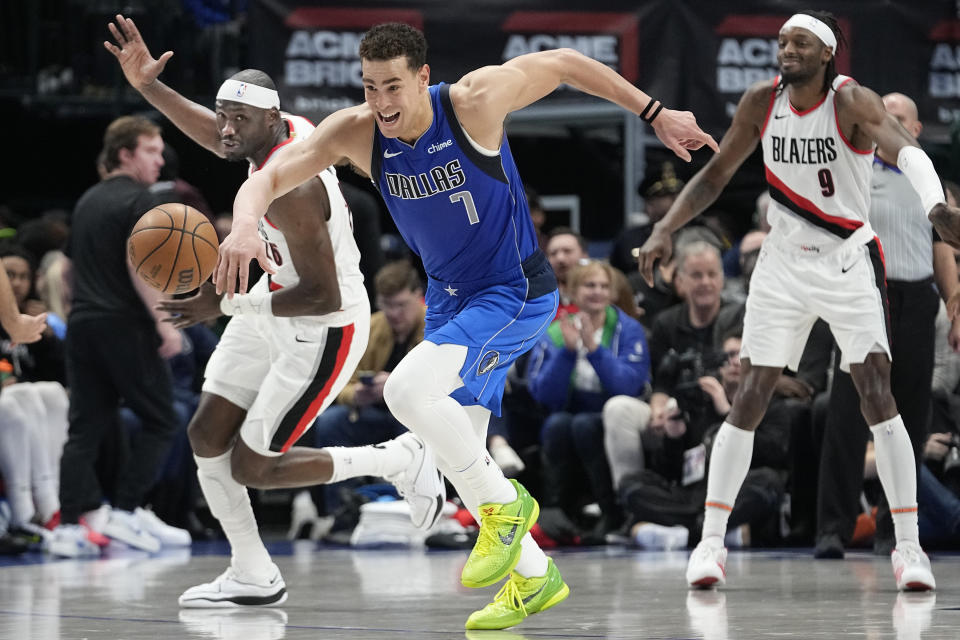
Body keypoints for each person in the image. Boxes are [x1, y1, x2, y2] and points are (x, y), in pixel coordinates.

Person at [215, 22, 717, 629]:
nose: (381, 102)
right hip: (451, 300)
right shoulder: (356, 130)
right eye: (370, 86)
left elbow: (561, 62)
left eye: (393, 86)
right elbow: (269, 174)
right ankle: (534, 577)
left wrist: (654, 111)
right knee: (458, 447)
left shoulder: (474, 103)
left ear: (423, 78)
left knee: (404, 392)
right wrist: (244, 224)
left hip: (514, 292)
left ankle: (509, 508)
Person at [105, 15, 445, 606]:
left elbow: (323, 295)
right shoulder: (276, 131)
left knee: (254, 467)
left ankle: (397, 458)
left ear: (270, 120)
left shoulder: (292, 187)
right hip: (271, 307)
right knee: (206, 434)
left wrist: (223, 301)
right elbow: (217, 135)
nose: (227, 129)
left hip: (322, 328)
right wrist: (149, 88)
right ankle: (252, 572)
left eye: (239, 120)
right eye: (225, 116)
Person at [638, 10, 960, 591]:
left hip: (845, 259)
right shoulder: (763, 102)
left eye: (800, 42)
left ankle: (909, 549)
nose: (786, 49)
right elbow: (715, 176)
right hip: (783, 264)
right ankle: (710, 543)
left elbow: (905, 148)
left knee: (876, 394)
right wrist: (666, 228)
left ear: (827, 53)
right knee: (752, 394)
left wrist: (936, 206)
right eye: (783, 40)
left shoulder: (851, 102)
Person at [814, 92, 960, 559]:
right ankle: (831, 527)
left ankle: (892, 528)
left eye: (896, 119)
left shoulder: (931, 182)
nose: (884, 125)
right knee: (847, 412)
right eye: (882, 118)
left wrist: (954, 296)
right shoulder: (853, 171)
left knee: (911, 415)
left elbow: (941, 247)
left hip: (917, 299)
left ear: (914, 131)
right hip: (862, 293)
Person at [51, 114, 189, 558]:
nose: (160, 158)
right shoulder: (140, 200)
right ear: (125, 154)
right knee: (163, 419)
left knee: (85, 428)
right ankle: (127, 511)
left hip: (84, 325)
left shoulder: (87, 200)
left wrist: (80, 312)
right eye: (151, 150)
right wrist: (164, 324)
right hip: (123, 325)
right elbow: (140, 264)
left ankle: (71, 524)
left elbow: (66, 271)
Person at [526, 260, 650, 540]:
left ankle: (610, 511)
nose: (597, 292)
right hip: (570, 409)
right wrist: (567, 353)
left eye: (604, 286)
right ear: (572, 291)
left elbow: (627, 386)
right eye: (589, 285)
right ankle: (557, 510)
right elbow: (544, 397)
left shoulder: (626, 329)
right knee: (557, 424)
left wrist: (594, 350)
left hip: (613, 410)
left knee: (584, 425)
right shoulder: (555, 332)